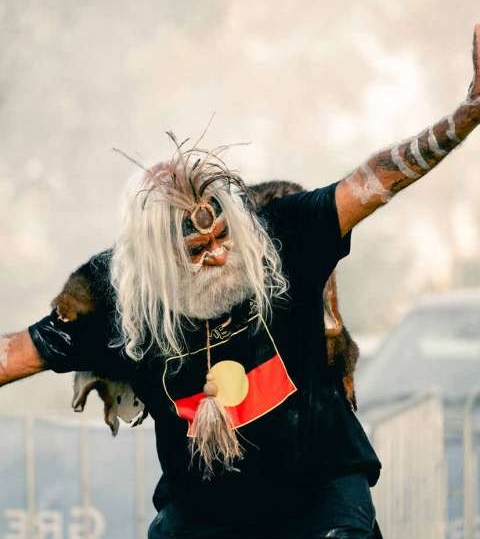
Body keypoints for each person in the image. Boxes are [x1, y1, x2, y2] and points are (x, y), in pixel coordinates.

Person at [2, 27, 480, 539]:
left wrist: (467, 113)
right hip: (204, 514)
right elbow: (16, 355)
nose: (219, 253)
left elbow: (374, 182)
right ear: (161, 263)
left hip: (320, 497)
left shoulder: (280, 235)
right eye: (197, 251)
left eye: (222, 235)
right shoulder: (119, 300)